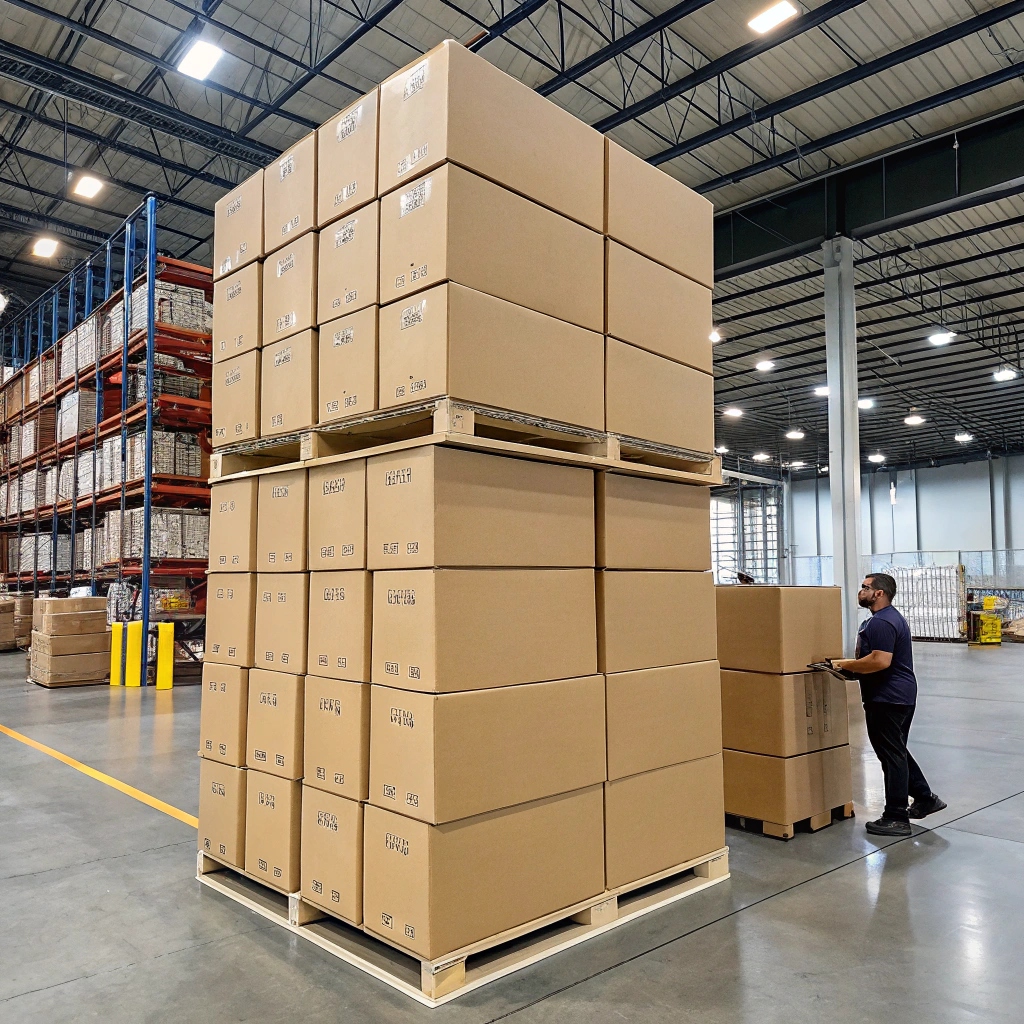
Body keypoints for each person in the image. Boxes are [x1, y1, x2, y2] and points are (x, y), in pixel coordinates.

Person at [833, 573, 946, 837]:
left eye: (865, 587)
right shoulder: (887, 618)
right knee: (895, 750)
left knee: (891, 755)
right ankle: (925, 797)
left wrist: (844, 664)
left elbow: (880, 661)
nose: (860, 591)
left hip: (888, 697)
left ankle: (896, 816)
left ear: (879, 593)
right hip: (897, 696)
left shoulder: (882, 623)